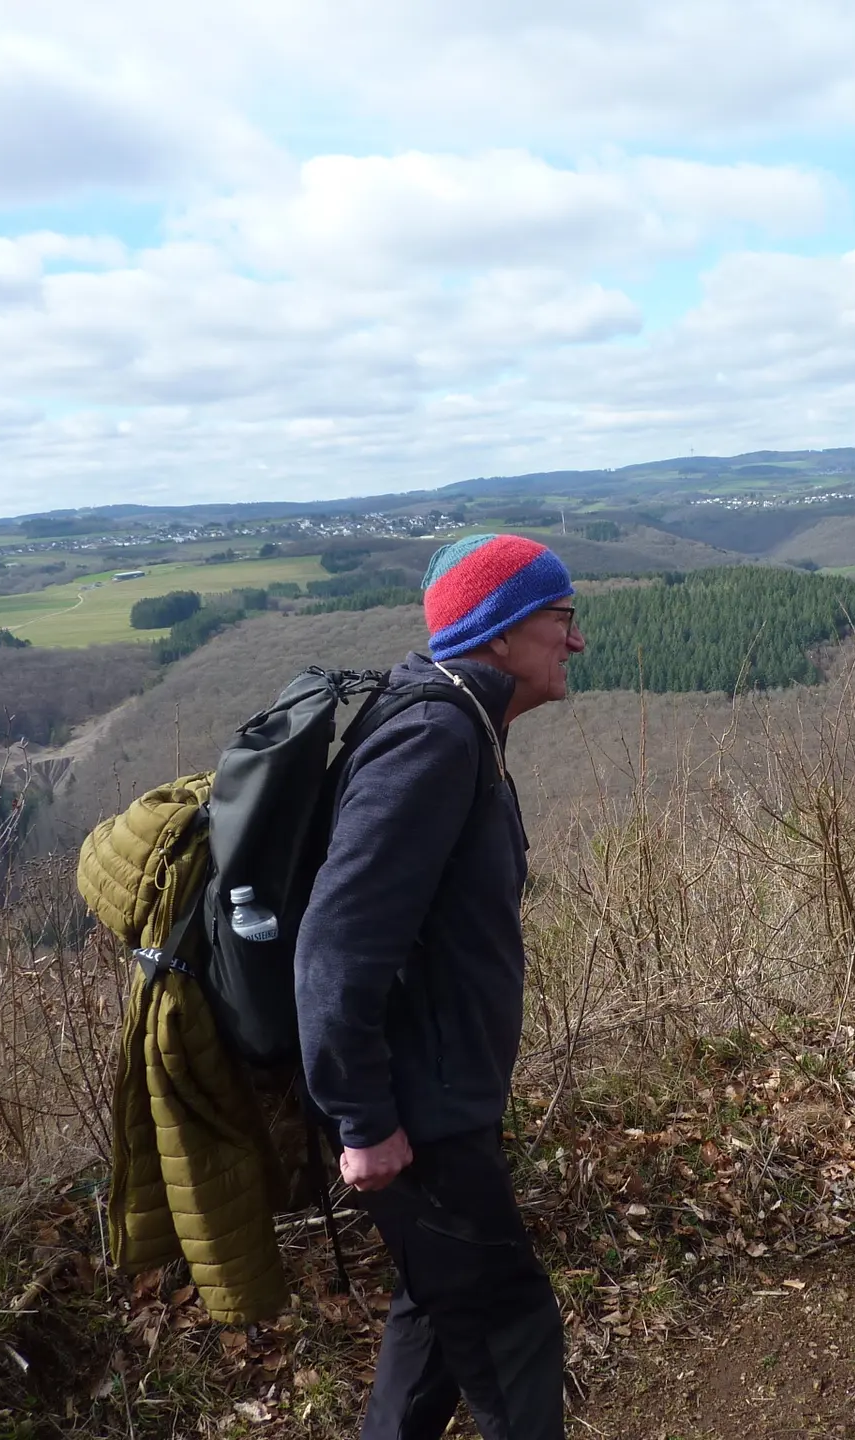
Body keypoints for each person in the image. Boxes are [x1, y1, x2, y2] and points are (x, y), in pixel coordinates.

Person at [295, 534, 585, 1440]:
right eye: (562, 617)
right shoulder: (433, 737)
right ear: (498, 632)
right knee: (511, 1333)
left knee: (431, 1324)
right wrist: (363, 1120)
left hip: (440, 1104)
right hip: (422, 1120)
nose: (576, 640)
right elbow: (336, 944)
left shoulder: (465, 726)